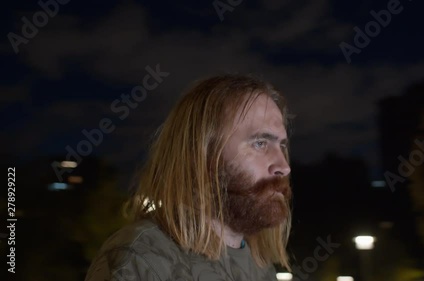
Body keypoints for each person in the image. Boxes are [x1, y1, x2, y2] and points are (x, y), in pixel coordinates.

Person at [85, 74, 294, 281]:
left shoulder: (261, 269)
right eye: (260, 143)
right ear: (201, 154)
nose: (283, 167)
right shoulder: (141, 259)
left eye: (281, 146)